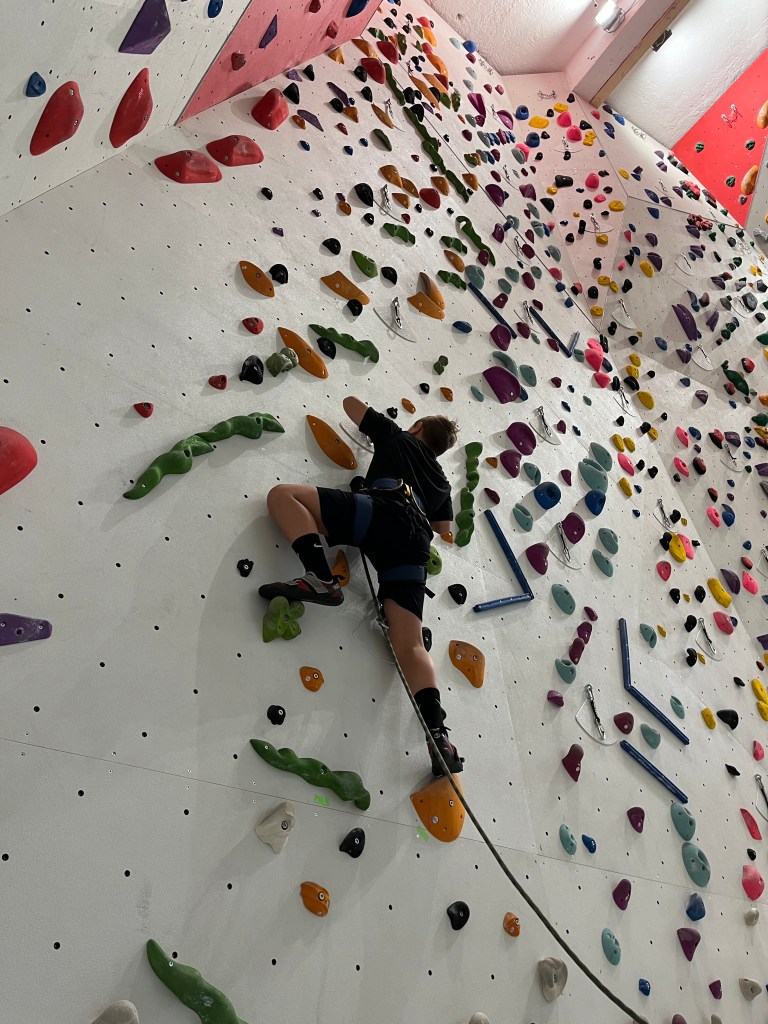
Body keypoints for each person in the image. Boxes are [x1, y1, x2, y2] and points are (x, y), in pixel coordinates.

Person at [259, 396, 464, 777]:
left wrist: (389, 437)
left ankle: (320, 576)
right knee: (411, 644)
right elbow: (444, 529)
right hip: (414, 545)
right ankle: (439, 736)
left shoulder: (399, 436)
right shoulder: (442, 483)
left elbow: (350, 405)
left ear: (418, 428)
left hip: (379, 511)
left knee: (283, 495)